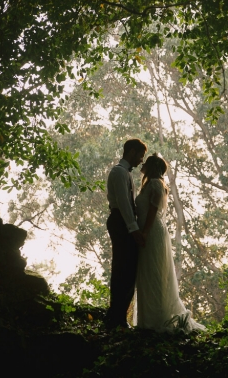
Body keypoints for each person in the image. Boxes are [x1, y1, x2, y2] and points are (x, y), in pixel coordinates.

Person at [134, 154, 205, 333]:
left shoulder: (156, 184)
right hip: (147, 230)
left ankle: (156, 320)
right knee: (146, 273)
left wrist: (145, 233)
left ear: (152, 166)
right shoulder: (149, 185)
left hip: (152, 232)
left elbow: (152, 211)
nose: (142, 164)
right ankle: (147, 320)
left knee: (155, 273)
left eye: (146, 162)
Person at [105, 138, 147, 329]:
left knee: (128, 269)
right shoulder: (118, 172)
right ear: (131, 152)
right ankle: (116, 317)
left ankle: (118, 315)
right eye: (140, 155)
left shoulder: (126, 173)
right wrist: (134, 229)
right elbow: (123, 203)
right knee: (123, 268)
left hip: (125, 222)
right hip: (120, 222)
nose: (141, 160)